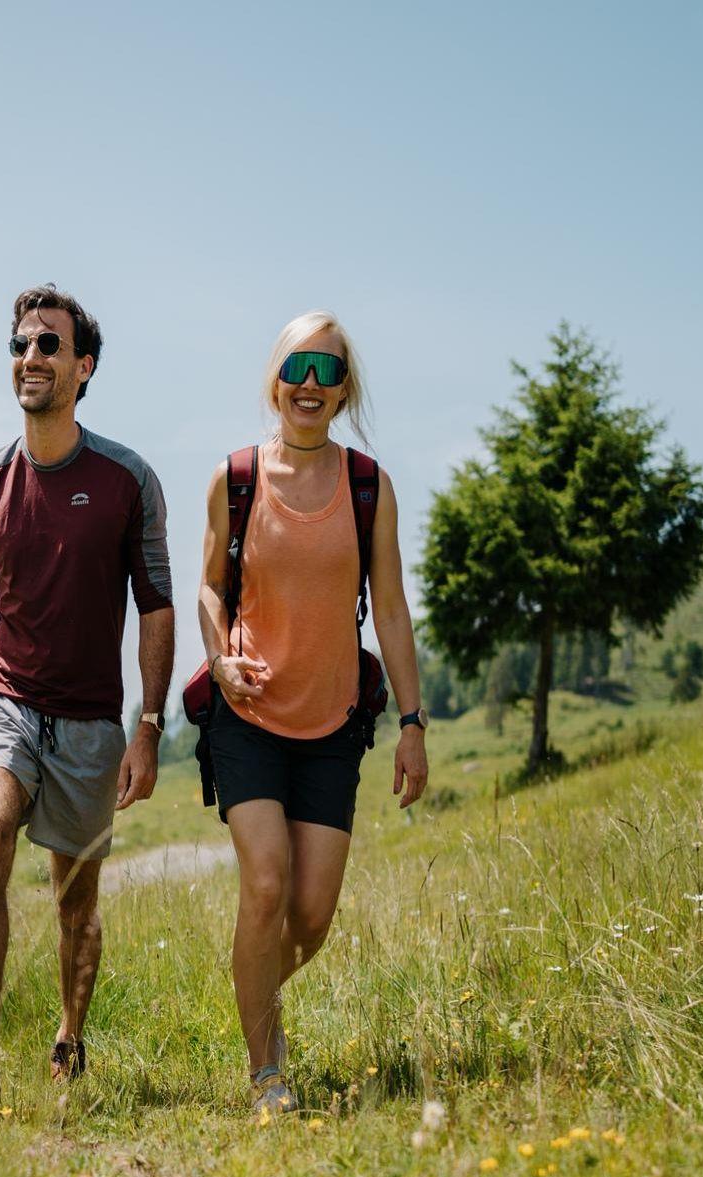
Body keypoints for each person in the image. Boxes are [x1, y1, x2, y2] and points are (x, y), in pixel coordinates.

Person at [0, 285, 176, 1117]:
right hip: (6, 701)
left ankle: (69, 1038)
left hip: (93, 718)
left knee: (76, 903)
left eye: (49, 345)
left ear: (83, 366)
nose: (31, 357)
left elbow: (157, 606)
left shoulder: (129, 481)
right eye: (20, 345)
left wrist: (147, 727)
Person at [196, 311, 429, 1115]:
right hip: (248, 717)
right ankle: (267, 1071)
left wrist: (412, 724)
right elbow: (210, 589)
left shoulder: (369, 487)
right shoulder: (235, 479)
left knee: (312, 916)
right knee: (266, 884)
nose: (310, 384)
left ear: (345, 391)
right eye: (297, 367)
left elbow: (390, 609)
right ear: (276, 381)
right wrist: (220, 658)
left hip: (333, 726)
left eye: (328, 371)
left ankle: (251, 986)